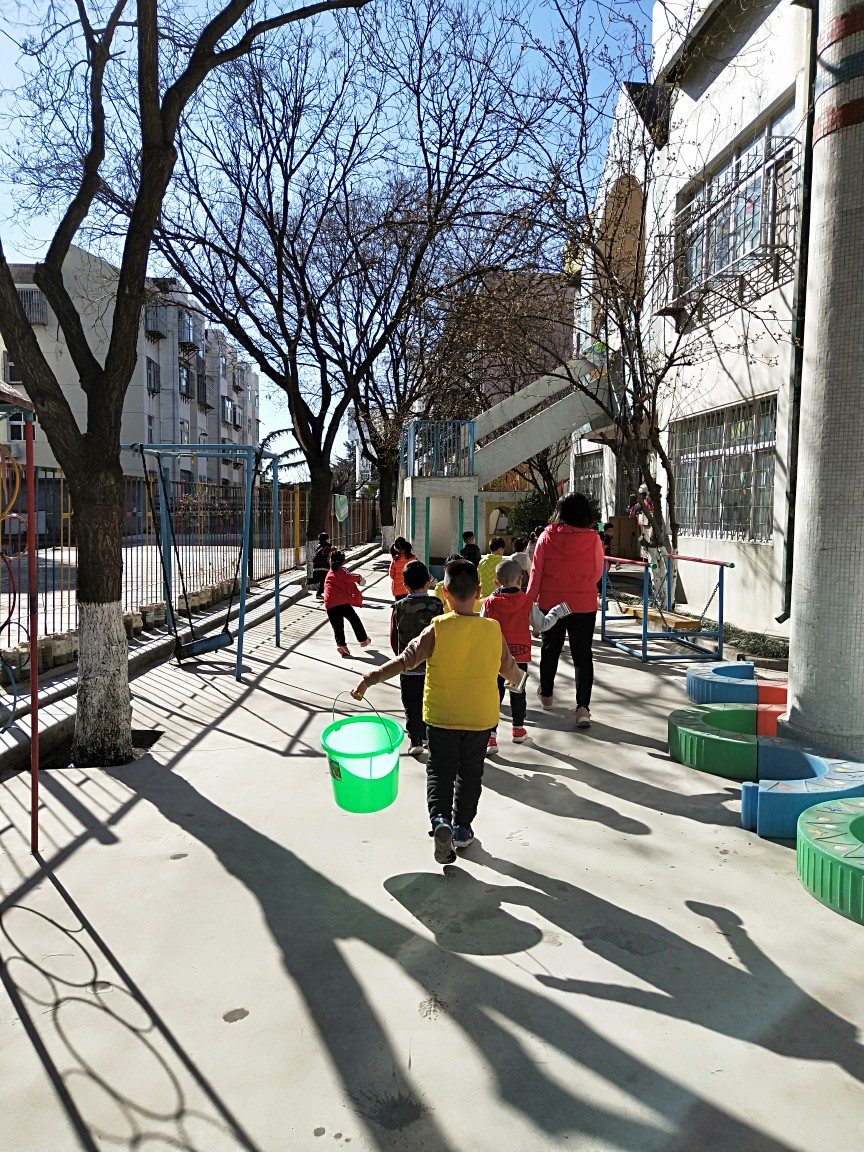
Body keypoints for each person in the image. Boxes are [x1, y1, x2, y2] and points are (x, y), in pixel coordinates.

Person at [352, 558, 521, 864]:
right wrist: (522, 683)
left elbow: (405, 660)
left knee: (440, 772)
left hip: (442, 718)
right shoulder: (492, 630)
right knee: (470, 774)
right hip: (480, 719)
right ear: (479, 593)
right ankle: (462, 828)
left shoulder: (437, 628)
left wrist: (369, 678)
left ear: (444, 594)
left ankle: (440, 820)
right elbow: (510, 671)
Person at [526, 492, 605, 728]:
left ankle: (547, 694)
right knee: (583, 655)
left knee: (550, 649)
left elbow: (536, 572)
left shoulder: (546, 536)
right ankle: (583, 708)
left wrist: (527, 602)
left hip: (551, 603)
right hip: (583, 604)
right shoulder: (593, 538)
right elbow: (597, 572)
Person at [390, 560, 443, 755]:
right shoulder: (437, 605)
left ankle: (415, 740)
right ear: (429, 582)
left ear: (404, 585)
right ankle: (429, 735)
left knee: (411, 703)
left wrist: (400, 657)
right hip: (432, 666)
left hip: (409, 667)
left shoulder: (399, 607)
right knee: (431, 702)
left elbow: (393, 636)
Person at [481, 558, 532, 751]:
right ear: (520, 580)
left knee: (494, 694)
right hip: (519, 656)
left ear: (496, 582)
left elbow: (481, 626)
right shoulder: (526, 601)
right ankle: (518, 729)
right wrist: (556, 613)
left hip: (495, 656)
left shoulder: (488, 603)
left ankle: (491, 737)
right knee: (518, 693)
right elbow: (541, 624)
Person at [323, 549, 371, 657]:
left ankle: (341, 645)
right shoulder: (342, 570)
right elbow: (349, 578)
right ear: (343, 562)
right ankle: (363, 639)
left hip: (330, 604)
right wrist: (359, 577)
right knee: (354, 620)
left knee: (337, 626)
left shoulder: (330, 573)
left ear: (330, 561)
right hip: (342, 602)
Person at [311, 532, 332, 599]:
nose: (329, 539)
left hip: (316, 565)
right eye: (328, 538)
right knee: (324, 581)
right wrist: (332, 550)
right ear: (326, 539)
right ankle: (319, 594)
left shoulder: (318, 545)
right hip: (323, 566)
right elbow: (325, 552)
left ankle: (308, 581)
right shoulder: (326, 546)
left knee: (318, 579)